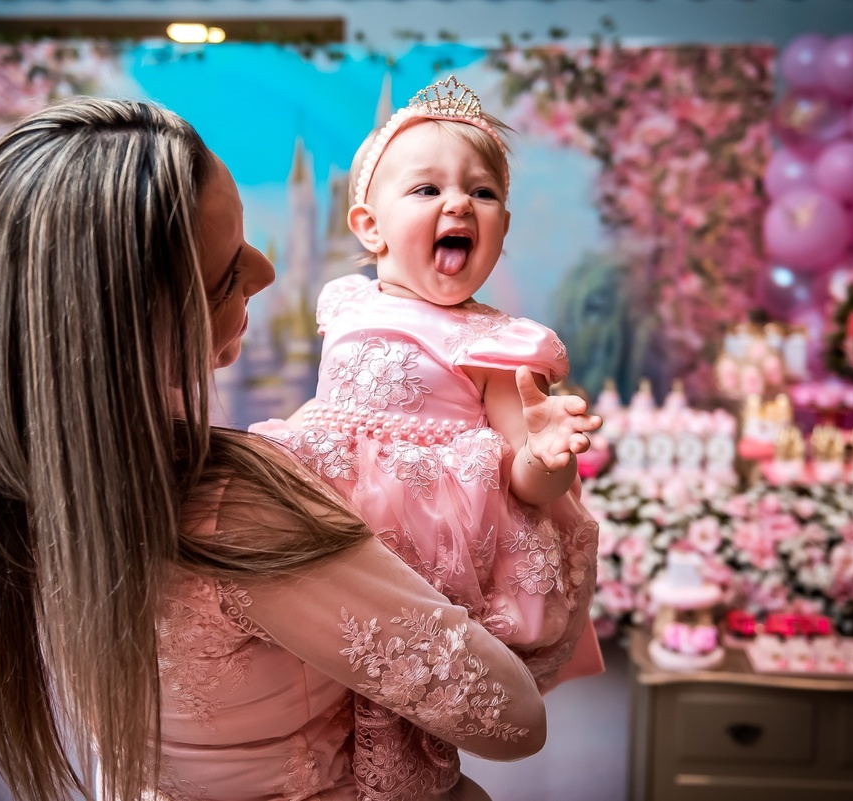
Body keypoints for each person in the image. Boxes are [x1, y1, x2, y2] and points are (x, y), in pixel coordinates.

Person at [0, 97, 552, 801]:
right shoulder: (245, 507)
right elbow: (512, 716)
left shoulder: (30, 485)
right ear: (146, 325)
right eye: (231, 269)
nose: (266, 273)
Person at [251, 77, 605, 801]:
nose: (458, 204)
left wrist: (545, 457)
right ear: (369, 227)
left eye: (482, 192)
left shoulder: (497, 342)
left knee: (401, 702)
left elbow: (521, 478)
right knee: (309, 678)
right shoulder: (346, 299)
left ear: (500, 230)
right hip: (331, 519)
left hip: (426, 551)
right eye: (427, 190)